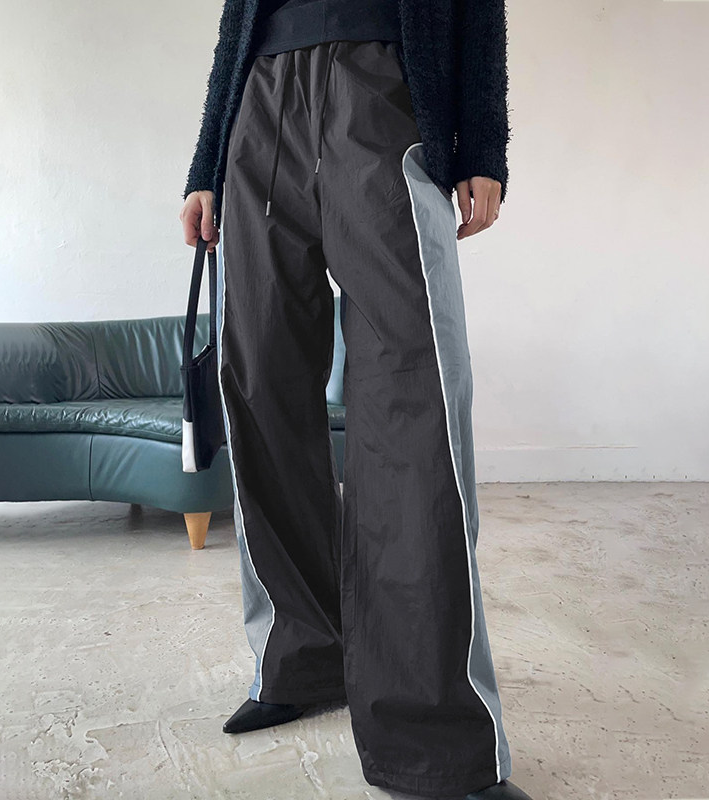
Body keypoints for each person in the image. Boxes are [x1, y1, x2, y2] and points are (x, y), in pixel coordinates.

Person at [179, 2, 532, 798]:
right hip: (260, 106)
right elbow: (237, 20)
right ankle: (302, 657)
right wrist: (207, 164)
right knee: (260, 391)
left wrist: (482, 144)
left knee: (413, 403)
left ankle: (433, 740)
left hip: (382, 90)